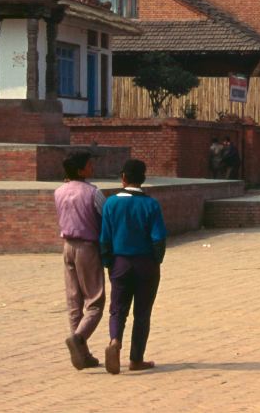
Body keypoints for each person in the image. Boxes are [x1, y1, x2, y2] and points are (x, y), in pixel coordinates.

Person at [99, 159, 167, 374]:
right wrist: (156, 260)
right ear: (143, 179)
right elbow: (159, 238)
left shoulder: (111, 203)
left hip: (120, 262)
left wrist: (108, 263)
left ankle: (114, 341)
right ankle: (136, 359)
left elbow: (104, 238)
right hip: (145, 263)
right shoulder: (150, 204)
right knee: (142, 313)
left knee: (118, 309)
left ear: (123, 178)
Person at [54, 151, 106, 370]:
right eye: (89, 165)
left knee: (74, 300)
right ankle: (79, 338)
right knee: (95, 301)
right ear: (80, 169)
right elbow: (106, 218)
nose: (92, 168)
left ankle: (82, 353)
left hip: (68, 246)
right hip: (87, 247)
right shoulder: (93, 193)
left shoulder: (59, 192)